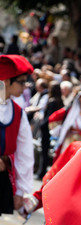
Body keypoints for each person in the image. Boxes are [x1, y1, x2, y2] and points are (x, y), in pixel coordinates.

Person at [0, 54, 34, 216]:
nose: (25, 86)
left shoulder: (18, 113)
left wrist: (21, 191)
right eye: (21, 82)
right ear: (6, 81)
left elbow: (25, 153)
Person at [49, 86, 81, 161]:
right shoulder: (70, 112)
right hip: (67, 146)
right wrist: (61, 130)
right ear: (80, 98)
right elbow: (53, 118)